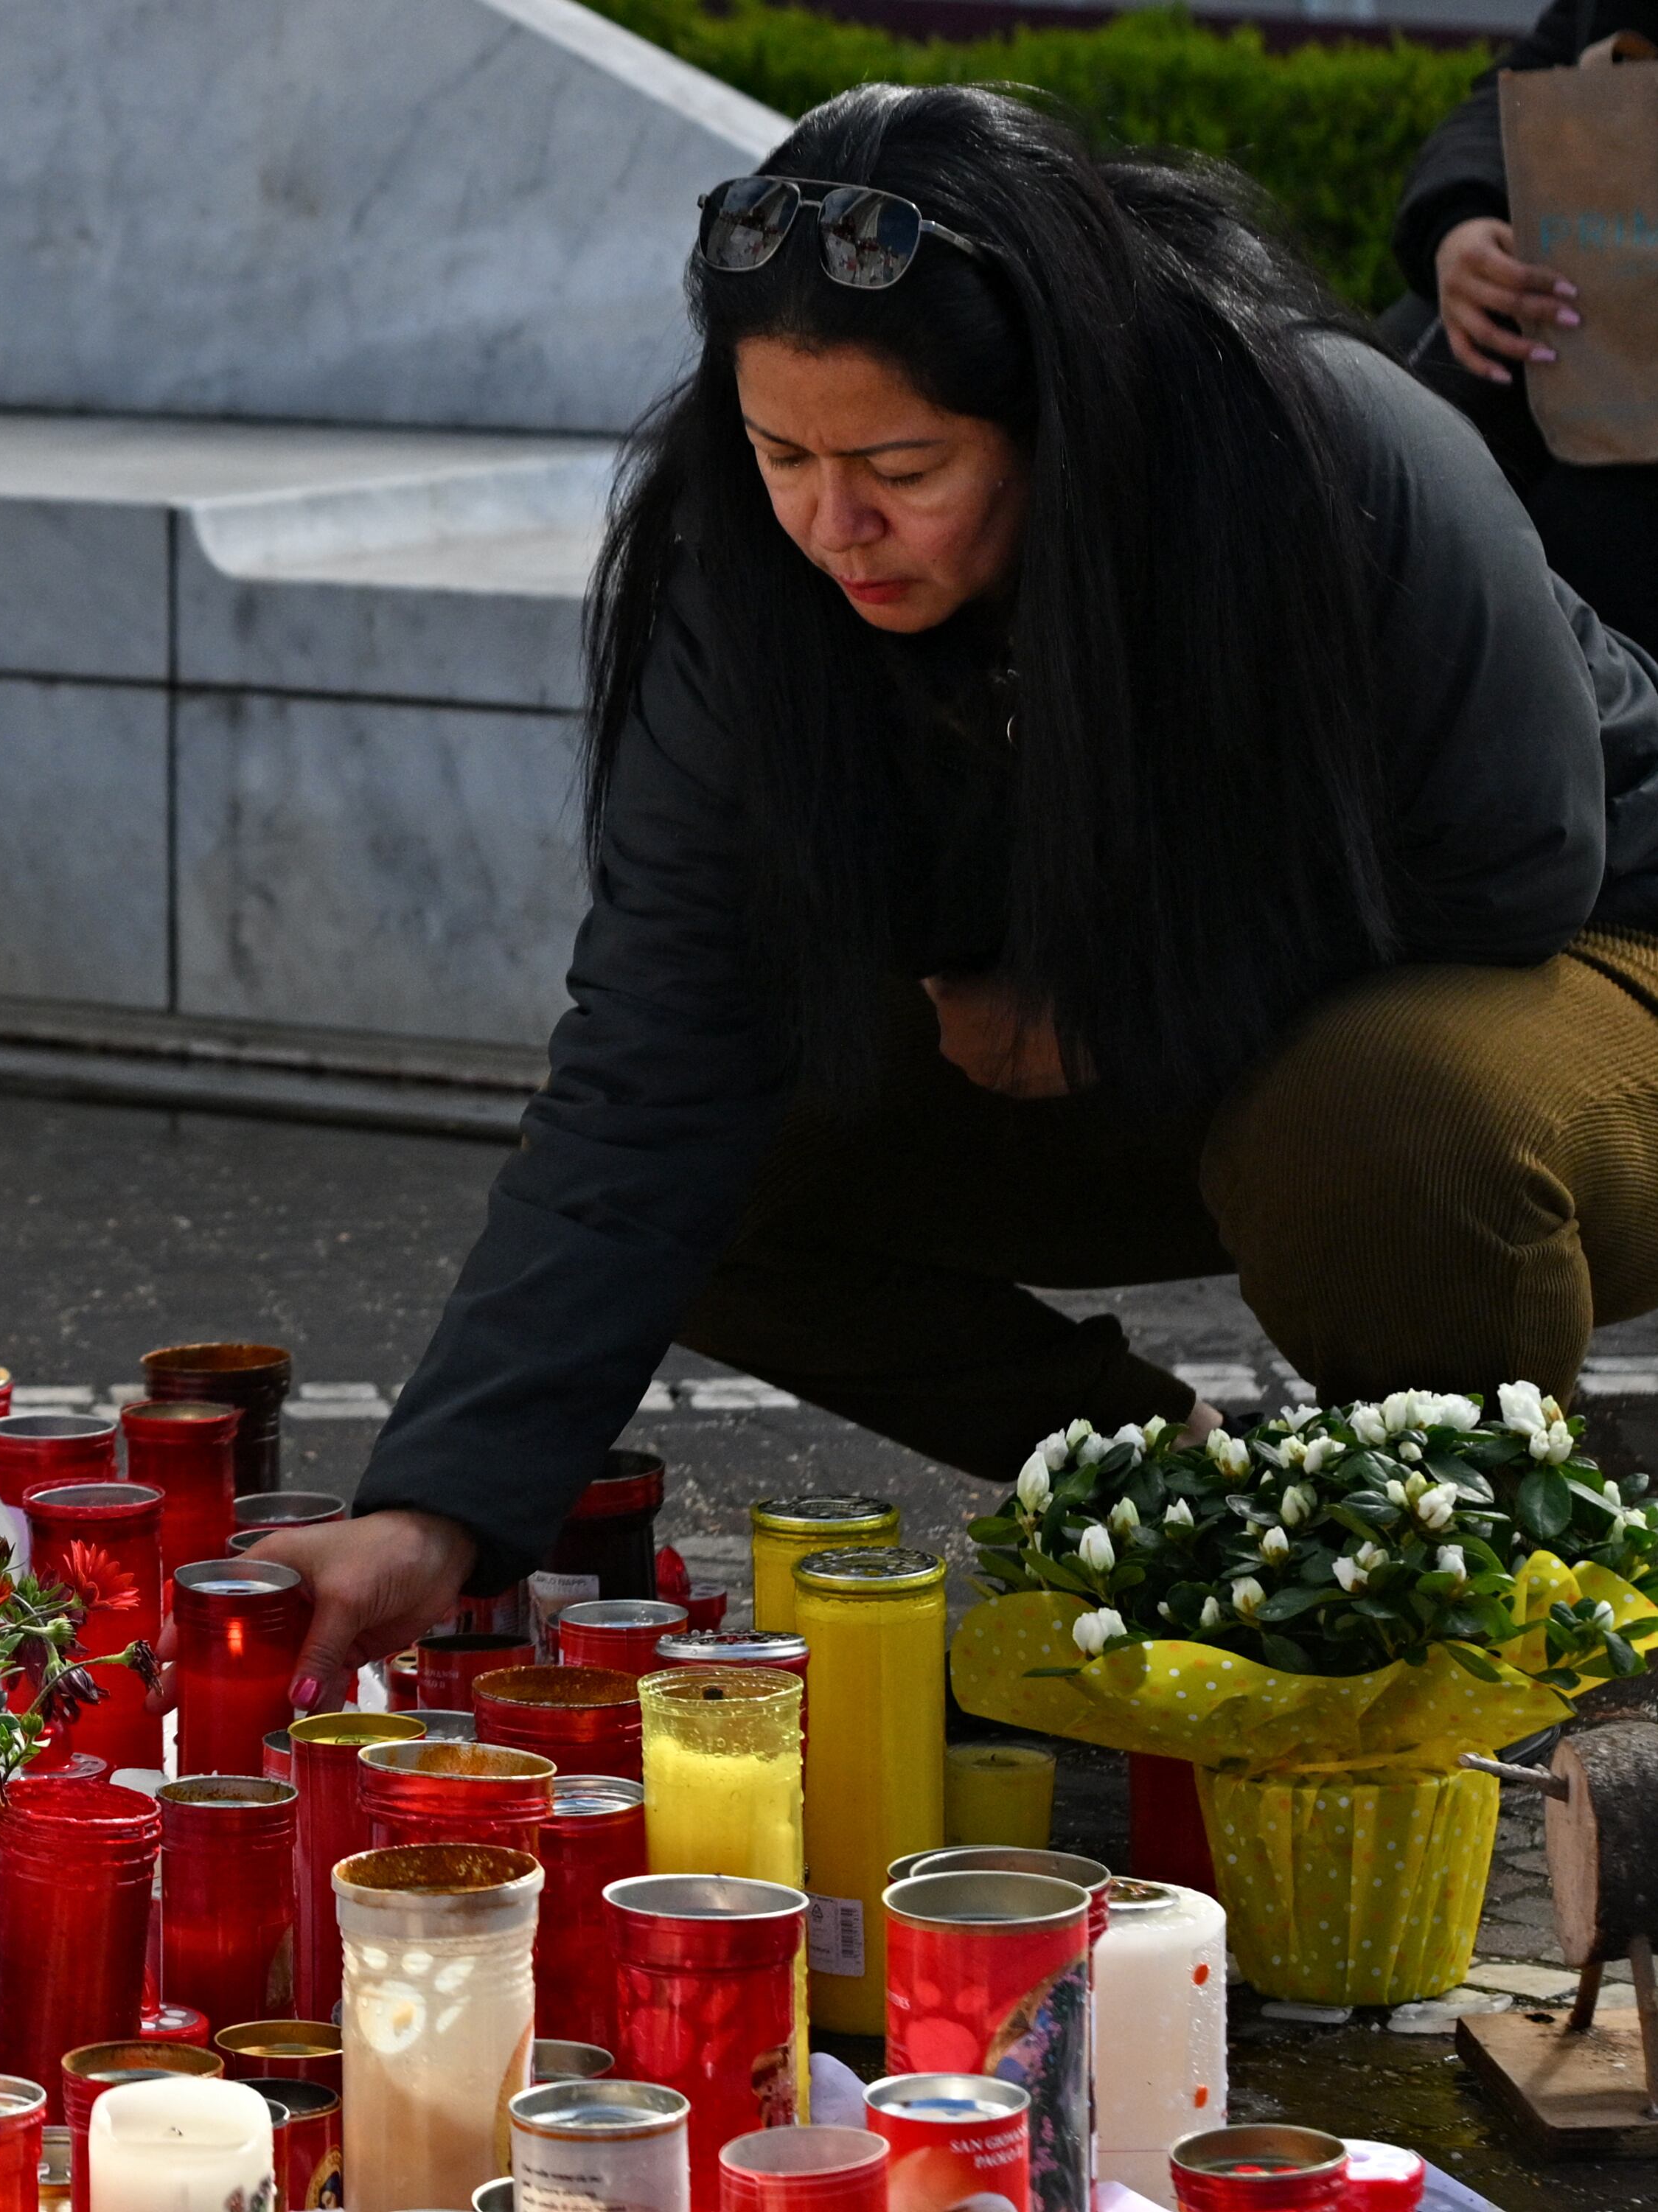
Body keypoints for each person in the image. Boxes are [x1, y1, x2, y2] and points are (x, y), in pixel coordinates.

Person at [247, 83, 1658, 1701]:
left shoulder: (1322, 446)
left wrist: (1126, 993)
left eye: (900, 465)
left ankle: (1446, 1590)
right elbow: (657, 1048)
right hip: (1199, 1033)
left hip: (1585, 970)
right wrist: (434, 1515)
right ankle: (1173, 1482)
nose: (832, 525)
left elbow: (1515, 864)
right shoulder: (747, 572)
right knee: (727, 1160)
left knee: (1385, 1125)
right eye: (781, 452)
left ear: (1058, 415)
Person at [1387, 0, 1658, 647]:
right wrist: (1459, 226)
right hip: (1571, 373)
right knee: (1383, 439)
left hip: (1610, 486)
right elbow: (1515, 99)